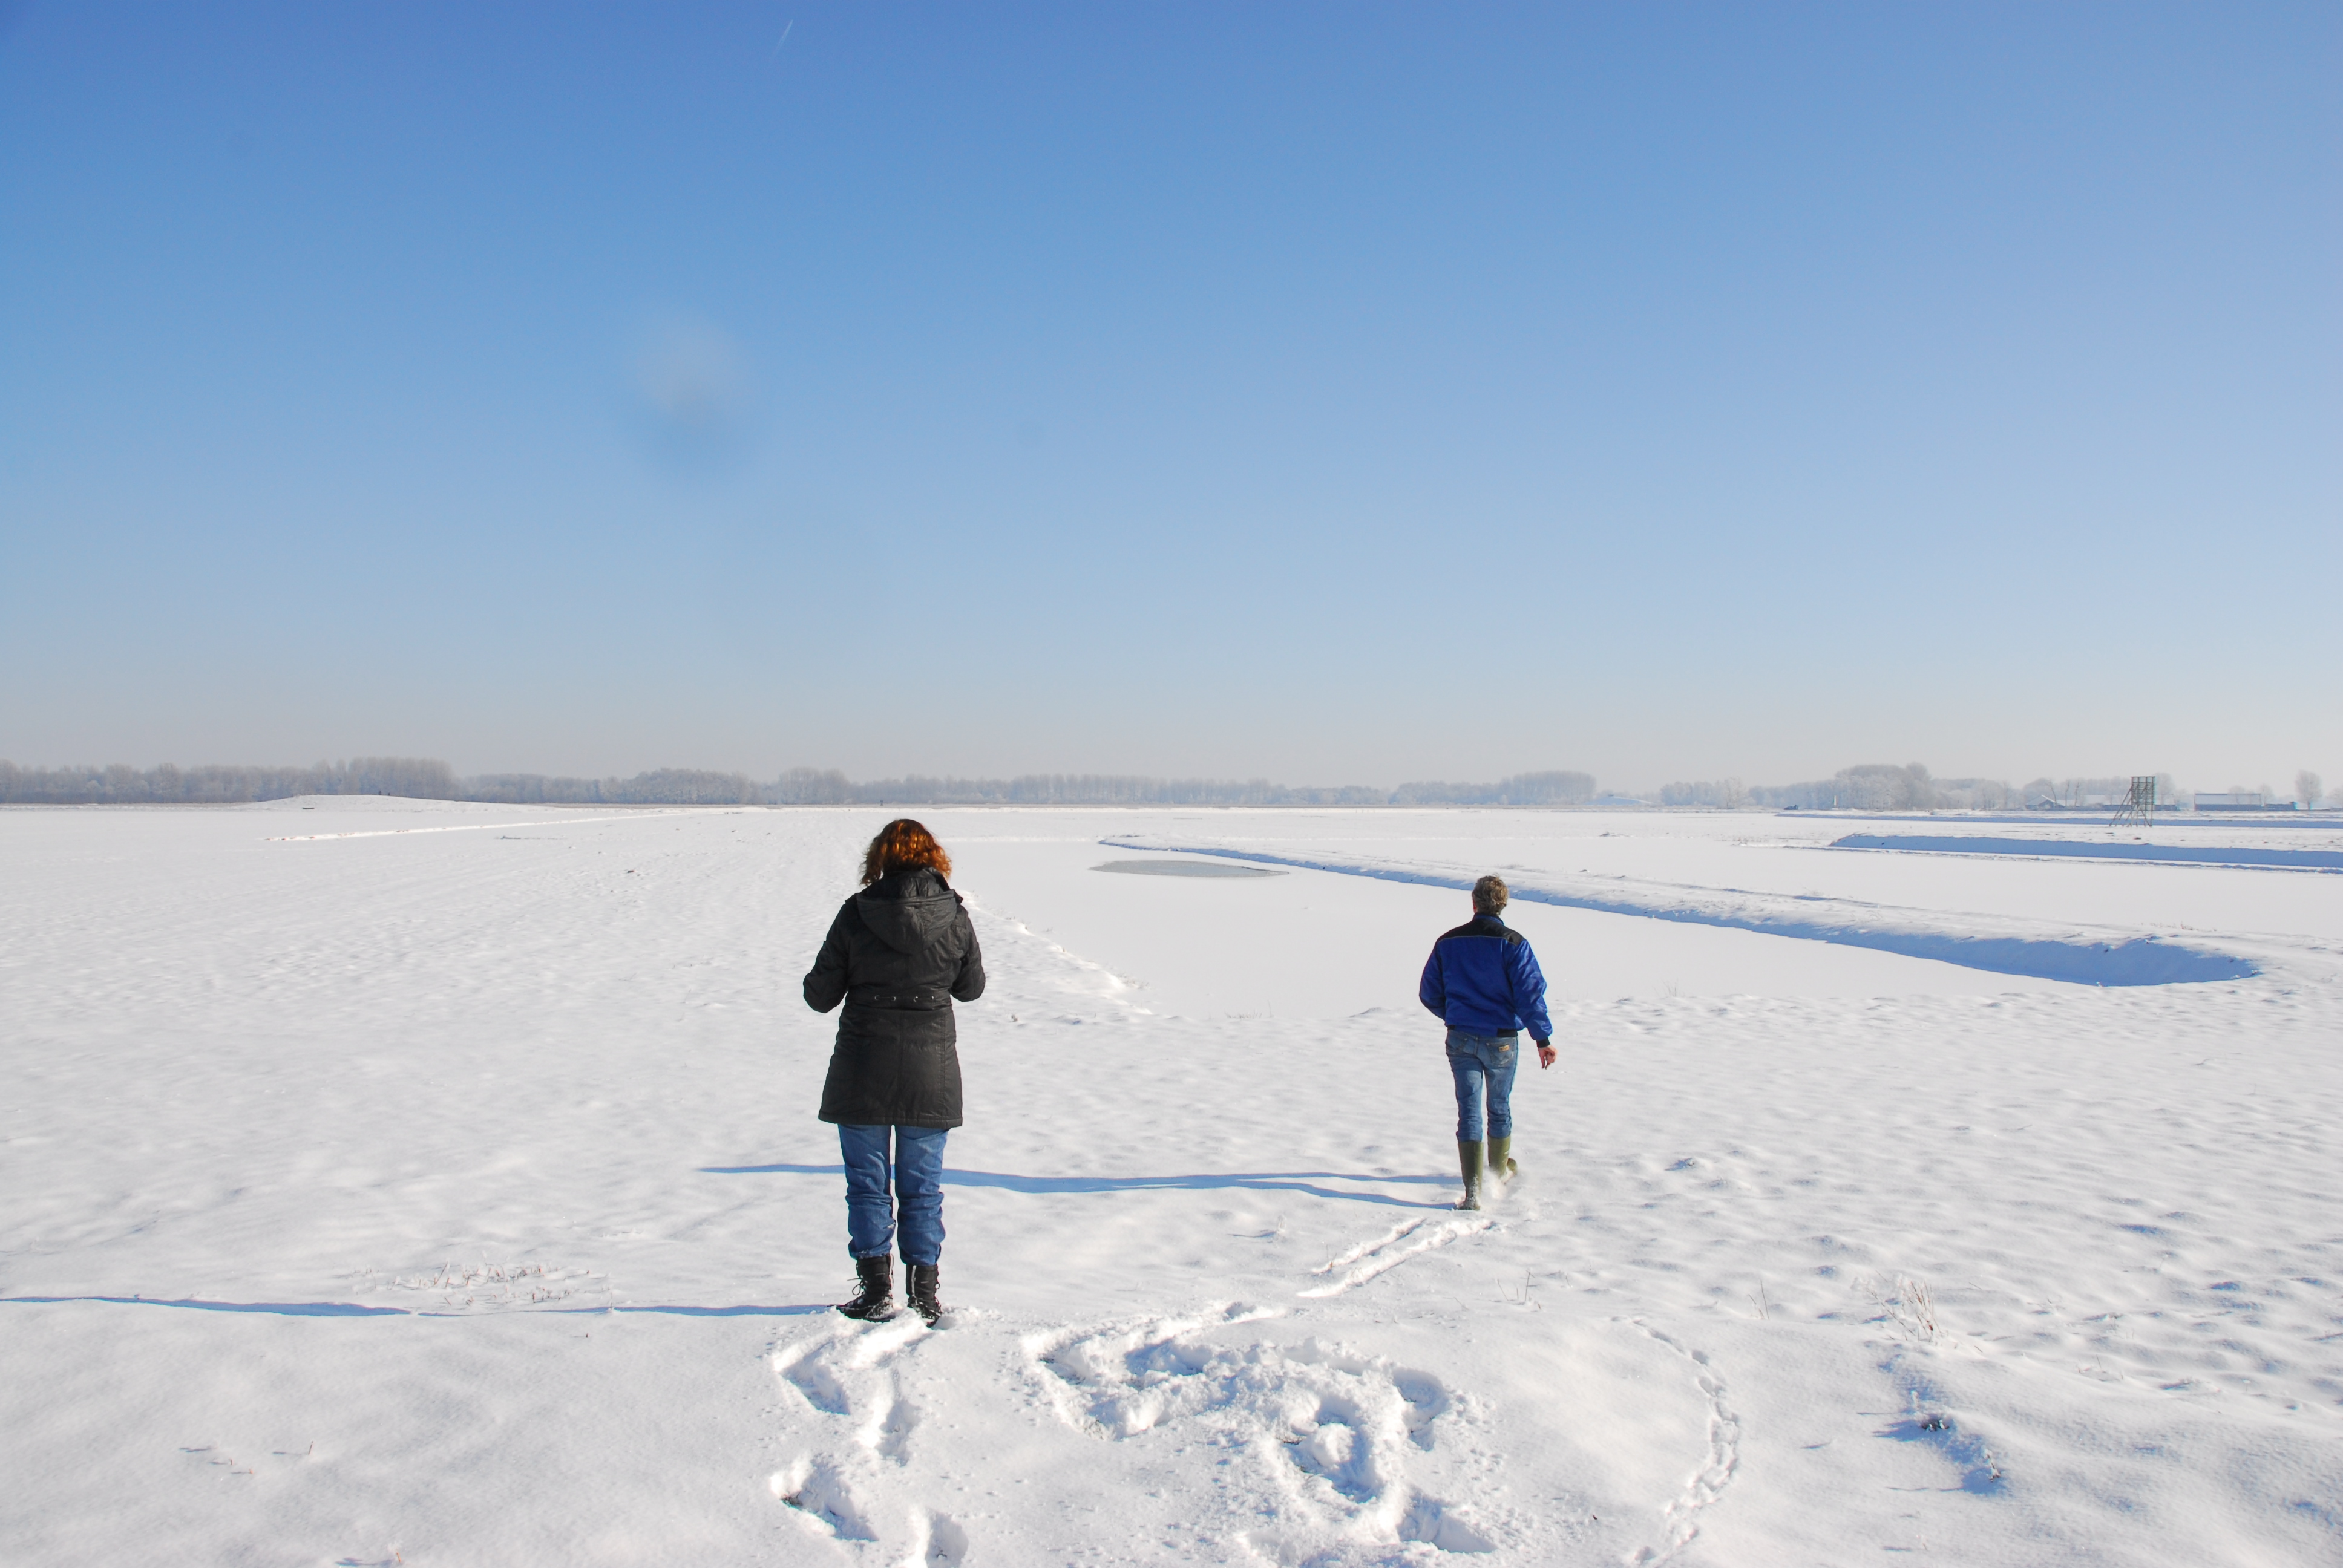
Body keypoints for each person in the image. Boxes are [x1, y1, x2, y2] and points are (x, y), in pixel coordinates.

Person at [802, 819, 986, 1323]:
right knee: (922, 1187)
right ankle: (924, 1295)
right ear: (933, 857)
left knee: (867, 1183)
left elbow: (819, 997)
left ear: (880, 858)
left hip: (863, 1065)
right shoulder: (954, 916)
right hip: (931, 1072)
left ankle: (875, 1290)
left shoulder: (856, 914)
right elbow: (971, 989)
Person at [1417, 874, 1554, 1210]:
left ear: (1474, 903)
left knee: (1469, 1111)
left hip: (1461, 1037)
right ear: (1503, 905)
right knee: (1499, 1106)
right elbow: (1530, 995)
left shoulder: (1448, 942)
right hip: (1502, 1040)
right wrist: (1543, 1038)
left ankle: (1474, 1190)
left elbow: (1428, 993)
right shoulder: (1514, 944)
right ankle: (1497, 1171)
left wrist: (1456, 1014)